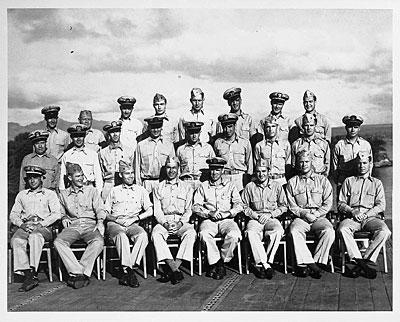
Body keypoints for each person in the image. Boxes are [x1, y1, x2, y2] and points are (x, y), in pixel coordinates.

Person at [337, 152, 390, 279]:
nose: (362, 166)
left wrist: (366, 214)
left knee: (385, 231)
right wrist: (352, 211)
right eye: (359, 163)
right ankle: (362, 264)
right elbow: (340, 203)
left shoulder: (377, 183)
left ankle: (362, 262)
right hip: (352, 217)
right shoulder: (348, 181)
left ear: (370, 164)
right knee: (342, 229)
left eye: (365, 163)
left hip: (370, 218)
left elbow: (381, 205)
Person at [10, 165, 61, 292]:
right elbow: (13, 214)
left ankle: (32, 271)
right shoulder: (22, 195)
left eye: (36, 177)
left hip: (44, 227)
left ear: (42, 178)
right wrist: (21, 224)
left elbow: (56, 214)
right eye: (30, 178)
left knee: (35, 237)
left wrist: (42, 224)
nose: (32, 181)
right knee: (16, 240)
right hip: (26, 225)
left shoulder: (50, 194)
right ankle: (28, 275)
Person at [54, 163, 105, 289]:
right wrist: (64, 217)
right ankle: (79, 272)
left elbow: (100, 209)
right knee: (58, 242)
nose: (81, 178)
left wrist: (100, 222)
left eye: (82, 175)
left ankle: (78, 272)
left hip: (90, 225)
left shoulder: (92, 191)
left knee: (98, 242)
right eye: (77, 176)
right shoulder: (63, 194)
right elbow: (60, 211)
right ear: (70, 178)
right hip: (73, 225)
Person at [192, 157, 243, 280]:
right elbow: (195, 206)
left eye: (217, 170)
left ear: (222, 171)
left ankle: (220, 261)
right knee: (204, 234)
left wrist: (228, 212)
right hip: (209, 220)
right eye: (212, 170)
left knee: (235, 235)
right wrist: (209, 213)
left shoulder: (230, 186)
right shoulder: (203, 186)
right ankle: (219, 264)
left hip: (227, 220)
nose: (214, 173)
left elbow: (239, 205)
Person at [286, 150, 334, 279]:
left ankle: (318, 261)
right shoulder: (292, 182)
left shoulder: (322, 180)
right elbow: (291, 205)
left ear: (311, 162)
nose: (304, 165)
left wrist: (317, 213)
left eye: (306, 161)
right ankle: (310, 264)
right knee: (294, 231)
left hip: (319, 217)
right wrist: (303, 214)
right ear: (296, 164)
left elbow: (328, 202)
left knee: (329, 230)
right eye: (300, 162)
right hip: (301, 217)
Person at [104, 160, 153, 288]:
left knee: (143, 235)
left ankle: (127, 270)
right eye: (127, 173)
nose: (130, 176)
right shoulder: (114, 191)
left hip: (133, 223)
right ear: (121, 175)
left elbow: (150, 210)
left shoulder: (141, 190)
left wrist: (137, 217)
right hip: (116, 224)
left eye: (132, 173)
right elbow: (105, 213)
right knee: (121, 236)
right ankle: (130, 270)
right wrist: (115, 220)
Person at [152, 157, 196, 285]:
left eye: (174, 168)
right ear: (165, 169)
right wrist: (165, 224)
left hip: (181, 221)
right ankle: (175, 269)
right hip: (164, 221)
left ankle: (173, 268)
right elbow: (157, 211)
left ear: (179, 169)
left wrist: (180, 223)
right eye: (168, 167)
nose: (171, 171)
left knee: (191, 233)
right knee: (156, 234)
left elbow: (189, 210)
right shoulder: (158, 187)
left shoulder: (186, 187)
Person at [242, 160, 287, 279]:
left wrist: (271, 214)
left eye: (263, 171)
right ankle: (266, 265)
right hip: (255, 219)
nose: (261, 174)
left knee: (278, 231)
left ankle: (266, 263)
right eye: (258, 171)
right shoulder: (249, 187)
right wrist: (255, 216)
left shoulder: (277, 186)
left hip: (271, 218)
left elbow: (283, 206)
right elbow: (244, 206)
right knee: (251, 233)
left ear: (268, 171)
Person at [134, 116, 175, 192]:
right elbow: (137, 168)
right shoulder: (141, 145)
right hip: (146, 184)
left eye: (158, 127)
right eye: (153, 127)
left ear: (161, 127)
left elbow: (173, 166)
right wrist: (138, 188)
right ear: (149, 127)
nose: (156, 130)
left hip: (163, 183)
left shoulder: (169, 145)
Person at [214, 113, 253, 192]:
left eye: (230, 127)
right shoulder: (218, 143)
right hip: (224, 178)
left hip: (240, 178)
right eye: (224, 127)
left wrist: (248, 182)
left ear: (235, 126)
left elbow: (250, 165)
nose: (227, 130)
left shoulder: (245, 142)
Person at [59, 124, 103, 194]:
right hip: (73, 191)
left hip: (89, 189)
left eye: (81, 136)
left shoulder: (93, 154)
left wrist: (98, 193)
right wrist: (63, 193)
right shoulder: (67, 155)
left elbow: (98, 176)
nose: (78, 139)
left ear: (84, 136)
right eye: (75, 136)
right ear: (71, 137)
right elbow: (62, 177)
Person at [332, 115, 373, 189]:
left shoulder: (365, 145)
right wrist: (339, 182)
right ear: (346, 128)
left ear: (359, 128)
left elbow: (370, 164)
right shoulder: (339, 146)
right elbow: (334, 167)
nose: (353, 130)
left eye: (356, 127)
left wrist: (366, 180)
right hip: (343, 184)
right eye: (350, 127)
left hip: (361, 184)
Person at [99, 120, 134, 201]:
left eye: (117, 131)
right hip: (108, 186)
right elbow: (100, 173)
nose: (115, 134)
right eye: (112, 132)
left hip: (124, 186)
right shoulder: (102, 153)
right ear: (108, 134)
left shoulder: (129, 151)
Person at [176, 121, 215, 190]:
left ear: (200, 132)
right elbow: (177, 168)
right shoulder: (180, 149)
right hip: (186, 183)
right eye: (191, 132)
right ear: (187, 133)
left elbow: (213, 166)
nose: (194, 135)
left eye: (196, 132)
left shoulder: (208, 148)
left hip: (202, 182)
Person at [254, 118, 291, 186]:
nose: (271, 129)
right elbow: (256, 165)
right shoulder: (259, 146)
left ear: (277, 127)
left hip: (281, 181)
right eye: (268, 127)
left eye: (273, 126)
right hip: (266, 181)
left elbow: (288, 164)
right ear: (264, 128)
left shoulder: (285, 145)